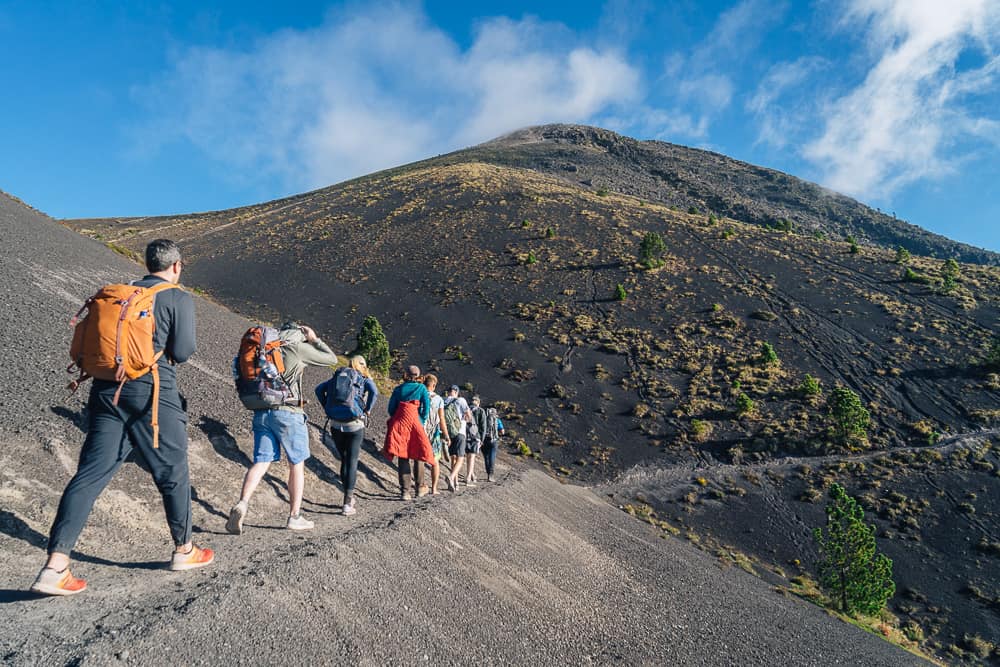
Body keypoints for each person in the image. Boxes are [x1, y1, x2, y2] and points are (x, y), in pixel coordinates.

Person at [31, 239, 211, 596]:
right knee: (172, 469)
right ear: (176, 266)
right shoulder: (177, 297)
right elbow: (184, 351)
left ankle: (55, 566)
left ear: (148, 264)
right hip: (153, 392)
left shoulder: (122, 293)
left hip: (105, 388)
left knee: (91, 472)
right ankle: (184, 549)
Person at [226, 321, 338, 534]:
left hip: (261, 411)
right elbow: (331, 359)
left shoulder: (266, 349)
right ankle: (294, 516)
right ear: (299, 334)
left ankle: (242, 503)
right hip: (288, 413)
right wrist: (314, 339)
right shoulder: (297, 348)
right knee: (296, 463)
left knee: (261, 461)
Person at [315, 355, 378, 516]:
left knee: (344, 459)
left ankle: (348, 497)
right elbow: (374, 392)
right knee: (352, 461)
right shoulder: (363, 379)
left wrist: (327, 407)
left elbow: (318, 390)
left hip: (336, 424)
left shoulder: (338, 377)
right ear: (362, 366)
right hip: (354, 424)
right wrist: (368, 409)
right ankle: (347, 503)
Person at [383, 365, 434, 500]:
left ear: (406, 374)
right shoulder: (422, 388)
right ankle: (420, 488)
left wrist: (399, 417)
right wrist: (420, 420)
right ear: (418, 376)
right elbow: (426, 408)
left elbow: (391, 409)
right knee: (419, 454)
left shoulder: (399, 389)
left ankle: (405, 491)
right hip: (415, 423)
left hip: (400, 423)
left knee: (403, 455)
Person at [422, 374, 449, 494]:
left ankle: (420, 485)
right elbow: (441, 418)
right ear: (433, 385)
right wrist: (447, 435)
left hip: (420, 431)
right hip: (434, 433)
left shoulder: (419, 395)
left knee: (420, 460)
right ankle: (434, 488)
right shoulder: (438, 399)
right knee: (435, 461)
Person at [444, 385, 472, 491]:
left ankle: (455, 484)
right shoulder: (461, 400)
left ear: (448, 392)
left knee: (453, 458)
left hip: (449, 433)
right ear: (457, 392)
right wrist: (466, 418)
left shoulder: (444, 401)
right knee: (460, 458)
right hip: (460, 432)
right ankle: (451, 478)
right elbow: (469, 416)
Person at [480, 404, 505, 483]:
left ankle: (488, 473)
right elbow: (502, 431)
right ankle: (491, 475)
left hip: (484, 440)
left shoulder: (484, 419)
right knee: (492, 457)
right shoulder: (497, 420)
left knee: (486, 457)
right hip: (494, 440)